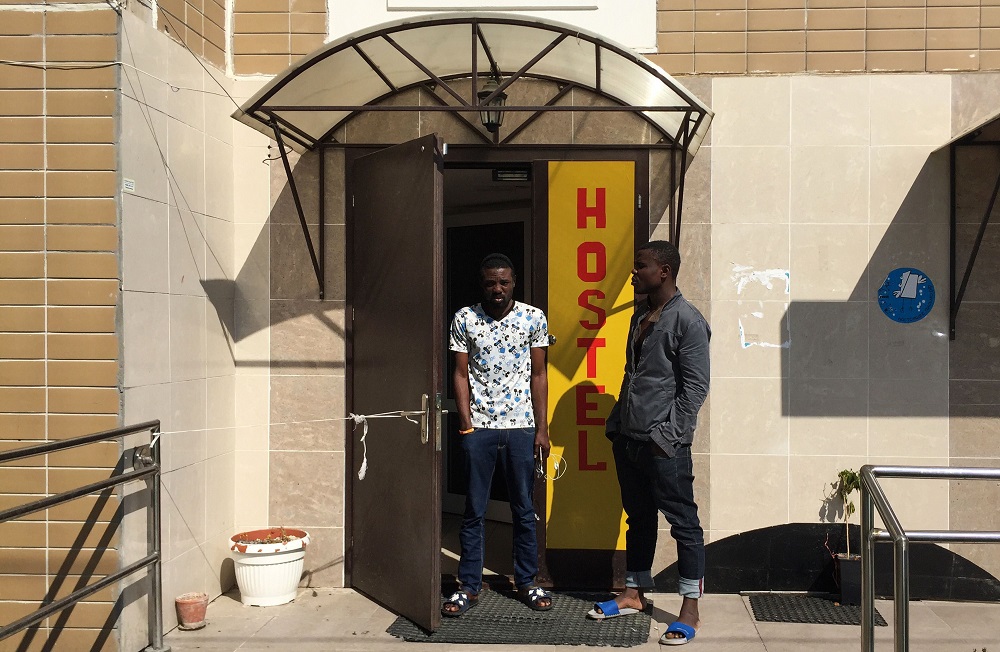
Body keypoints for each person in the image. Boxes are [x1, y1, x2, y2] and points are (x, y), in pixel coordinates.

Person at [588, 240, 710, 647]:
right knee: (638, 518)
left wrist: (666, 437)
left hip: (665, 447)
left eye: (641, 266)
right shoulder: (640, 314)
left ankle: (690, 609)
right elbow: (633, 373)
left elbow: (695, 389)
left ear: (664, 271)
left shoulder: (688, 321)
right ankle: (634, 593)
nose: (633, 273)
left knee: (684, 524)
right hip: (629, 439)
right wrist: (617, 426)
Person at [442, 253, 553, 617]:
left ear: (514, 282)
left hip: (521, 427)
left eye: (504, 282)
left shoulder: (533, 318)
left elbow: (539, 374)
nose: (497, 289)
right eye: (491, 282)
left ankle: (528, 582)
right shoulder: (465, 318)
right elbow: (460, 373)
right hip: (481, 427)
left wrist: (542, 429)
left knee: (524, 508)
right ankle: (468, 586)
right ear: (482, 283)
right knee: (474, 509)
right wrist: (466, 424)